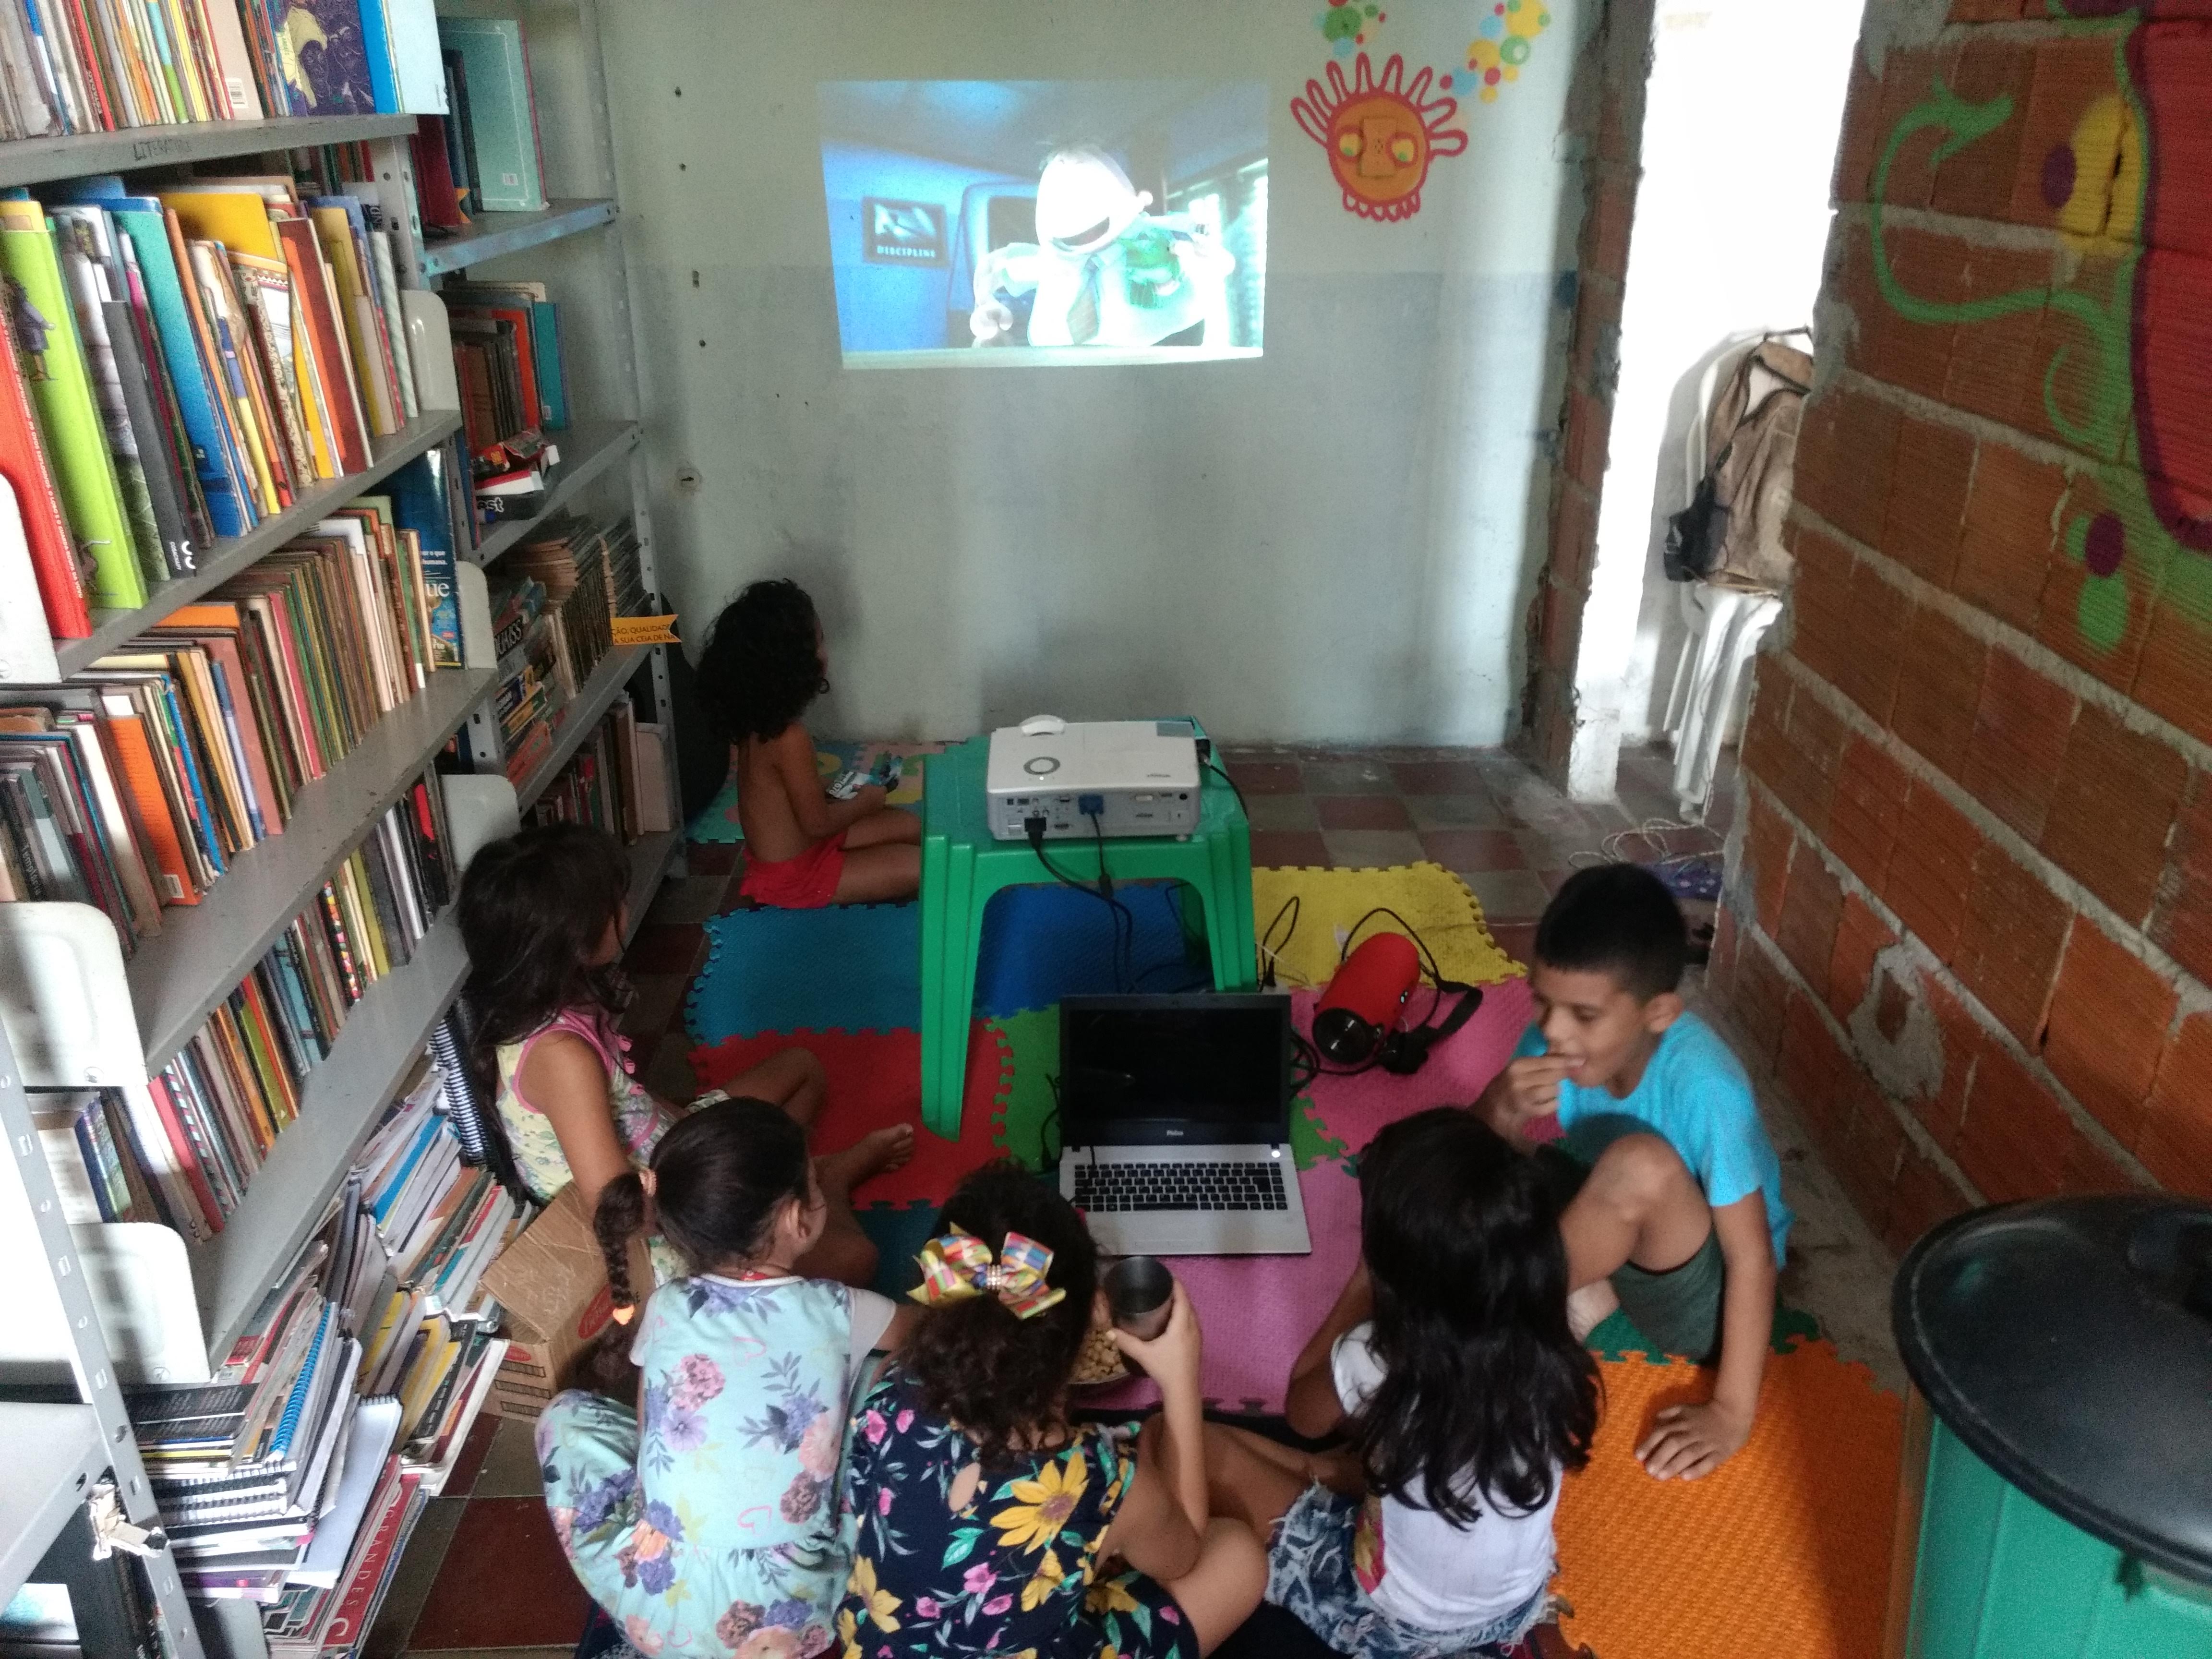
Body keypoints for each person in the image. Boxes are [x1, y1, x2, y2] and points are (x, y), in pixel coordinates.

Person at [1202, 1109, 1594, 1659]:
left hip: (1396, 1621)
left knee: (1197, 1447)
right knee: (1353, 1454)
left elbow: (1302, 1412)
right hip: (1512, 1602)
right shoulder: (1554, 1337)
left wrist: (1366, 1277)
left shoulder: (1379, 1354)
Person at [835, 1163, 1266, 1659]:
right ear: (1093, 1317)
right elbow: (1183, 1554)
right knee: (1238, 1555)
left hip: (882, 1645)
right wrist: (1182, 1383)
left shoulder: (892, 1381)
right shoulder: (1099, 1481)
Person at [537, 1099, 916, 1659]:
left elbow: (650, 1437)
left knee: (565, 1416)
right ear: (798, 1219)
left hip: (662, 1608)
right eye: (816, 1184)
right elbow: (922, 1332)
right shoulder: (840, 1308)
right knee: (885, 1380)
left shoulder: (665, 1305)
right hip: (800, 1612)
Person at [458, 820, 907, 1284]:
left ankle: (792, 1182)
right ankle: (829, 1180)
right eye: (615, 902)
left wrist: (699, 1126)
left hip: (673, 1150)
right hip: (676, 1224)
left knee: (802, 1068)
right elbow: (618, 1210)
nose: (625, 907)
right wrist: (722, 1200)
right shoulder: (561, 1058)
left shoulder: (555, 1001)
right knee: (859, 1258)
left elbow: (630, 1097)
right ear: (574, 937)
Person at [1480, 861, 1792, 1480]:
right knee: (1475, 1161)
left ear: (1659, 1013)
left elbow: (1752, 1258)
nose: (1554, 1031)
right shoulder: (1555, 1037)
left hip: (1710, 1293)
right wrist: (1498, 1109)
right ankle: (1578, 1294)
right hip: (1618, 1210)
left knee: (1639, 1166)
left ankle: (1494, 1321)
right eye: (1543, 1001)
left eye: (1584, 1015)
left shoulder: (1707, 1086)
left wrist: (1731, 1412)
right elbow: (1473, 1159)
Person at [695, 579, 920, 906]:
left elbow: (784, 793)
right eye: (819, 643)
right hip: (797, 876)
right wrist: (867, 803)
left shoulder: (756, 721)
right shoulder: (790, 738)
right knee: (922, 867)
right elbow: (818, 824)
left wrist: (841, 788)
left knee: (912, 827)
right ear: (795, 665)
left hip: (808, 845)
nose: (825, 653)